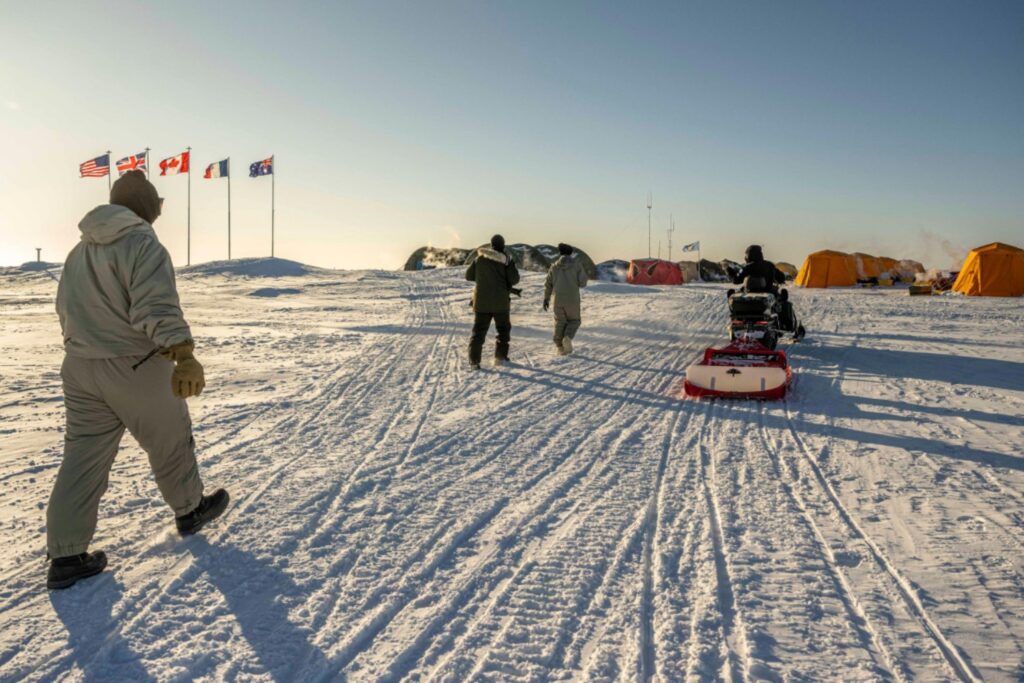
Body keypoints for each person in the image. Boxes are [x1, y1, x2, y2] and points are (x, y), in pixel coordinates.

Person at [46, 170, 228, 590]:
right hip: (134, 365)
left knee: (82, 458)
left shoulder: (80, 249)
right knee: (170, 440)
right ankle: (190, 510)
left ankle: (66, 556)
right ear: (145, 207)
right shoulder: (142, 242)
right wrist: (183, 354)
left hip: (80, 366)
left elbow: (64, 307)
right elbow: (155, 306)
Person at [465, 234, 520, 368]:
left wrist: (483, 277)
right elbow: (514, 280)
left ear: (491, 245)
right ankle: (500, 358)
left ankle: (474, 361)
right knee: (503, 331)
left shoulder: (479, 258)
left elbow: (468, 276)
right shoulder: (506, 260)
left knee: (478, 332)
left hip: (481, 303)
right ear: (503, 245)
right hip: (501, 303)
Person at [730, 244, 805, 339]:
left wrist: (729, 271)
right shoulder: (769, 265)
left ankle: (738, 321)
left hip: (749, 296)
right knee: (783, 301)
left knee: (735, 298)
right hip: (768, 294)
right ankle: (787, 327)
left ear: (748, 256)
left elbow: (736, 280)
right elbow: (781, 277)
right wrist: (779, 277)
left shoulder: (747, 267)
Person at [543, 243, 588, 355]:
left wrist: (546, 298)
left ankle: (559, 346)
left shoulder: (554, 267)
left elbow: (548, 284)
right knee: (575, 321)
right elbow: (583, 283)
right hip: (572, 299)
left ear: (560, 253)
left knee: (560, 322)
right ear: (570, 253)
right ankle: (567, 337)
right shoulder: (576, 265)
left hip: (558, 299)